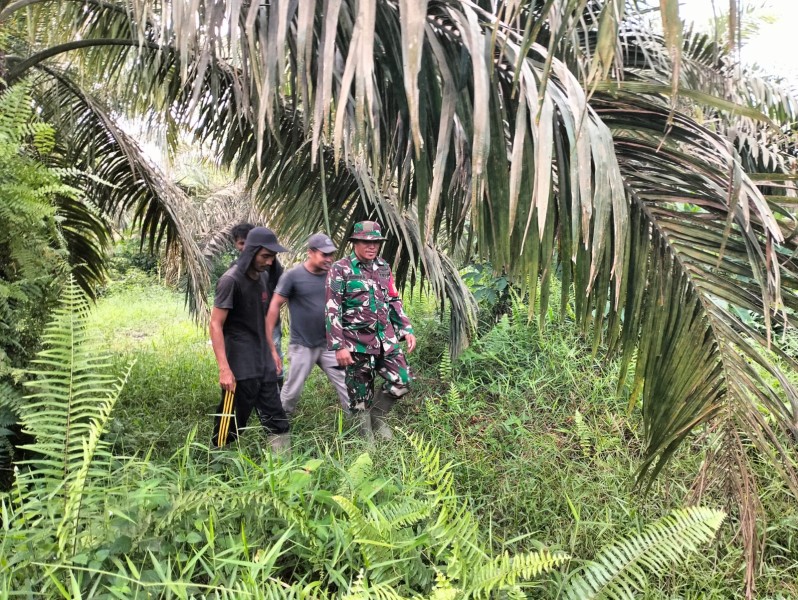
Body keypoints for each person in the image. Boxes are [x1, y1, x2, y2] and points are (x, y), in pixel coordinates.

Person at [325, 221, 416, 441]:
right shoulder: (341, 269)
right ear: (355, 242)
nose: (372, 246)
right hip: (355, 343)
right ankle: (366, 442)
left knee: (403, 380)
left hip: (386, 340)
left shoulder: (383, 267)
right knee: (359, 396)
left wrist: (405, 328)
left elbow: (393, 299)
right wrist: (339, 346)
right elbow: (331, 308)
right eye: (366, 241)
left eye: (376, 242)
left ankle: (378, 417)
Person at [209, 227, 290, 449]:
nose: (270, 262)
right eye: (265, 256)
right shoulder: (230, 280)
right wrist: (224, 369)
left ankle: (284, 472)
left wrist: (272, 351)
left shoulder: (264, 277)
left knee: (277, 418)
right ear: (251, 252)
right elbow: (215, 323)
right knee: (232, 419)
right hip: (239, 364)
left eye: (273, 257)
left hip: (262, 358)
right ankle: (217, 460)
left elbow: (263, 319)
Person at [266, 233, 349, 417]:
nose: (329, 259)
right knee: (291, 393)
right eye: (324, 254)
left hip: (330, 345)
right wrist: (270, 345)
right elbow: (274, 306)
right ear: (310, 252)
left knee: (348, 387)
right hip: (303, 345)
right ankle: (278, 429)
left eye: (331, 254)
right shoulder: (293, 276)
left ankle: (360, 433)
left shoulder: (335, 275)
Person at [231, 222, 285, 389]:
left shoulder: (270, 269)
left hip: (268, 322)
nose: (245, 247)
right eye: (242, 243)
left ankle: (275, 395)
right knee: (248, 373)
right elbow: (218, 321)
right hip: (244, 332)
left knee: (274, 365)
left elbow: (280, 292)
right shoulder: (233, 276)